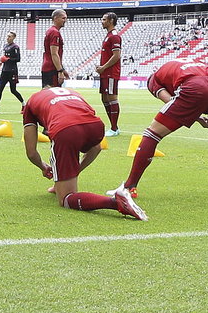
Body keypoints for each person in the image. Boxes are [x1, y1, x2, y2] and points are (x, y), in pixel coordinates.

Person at [111, 59, 208, 200]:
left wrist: (197, 118)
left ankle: (129, 187)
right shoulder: (197, 65)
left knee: (152, 134)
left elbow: (169, 100)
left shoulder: (153, 79)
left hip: (193, 87)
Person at [21, 86, 146, 219]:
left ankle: (115, 202)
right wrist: (70, 173)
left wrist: (43, 166)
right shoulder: (73, 93)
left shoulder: (32, 101)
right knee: (86, 147)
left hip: (65, 130)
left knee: (66, 199)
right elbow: (96, 147)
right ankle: (65, 178)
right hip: (96, 126)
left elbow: (31, 152)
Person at [95, 12, 123, 136]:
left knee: (112, 98)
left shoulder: (115, 36)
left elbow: (117, 55)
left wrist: (104, 67)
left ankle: (114, 128)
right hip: (105, 73)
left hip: (111, 73)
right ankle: (113, 127)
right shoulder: (109, 36)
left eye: (104, 19)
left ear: (111, 20)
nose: (102, 21)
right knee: (104, 98)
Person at [0, 31, 23, 114]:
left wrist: (8, 60)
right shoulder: (5, 46)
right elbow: (5, 57)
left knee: (13, 90)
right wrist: (1, 62)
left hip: (12, 71)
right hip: (4, 70)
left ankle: (24, 104)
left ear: (13, 37)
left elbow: (18, 59)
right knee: (0, 88)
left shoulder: (15, 47)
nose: (8, 38)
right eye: (7, 36)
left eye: (10, 36)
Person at [42, 9, 67, 87]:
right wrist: (60, 71)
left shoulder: (50, 31)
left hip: (47, 67)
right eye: (63, 18)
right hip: (52, 68)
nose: (65, 20)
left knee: (47, 93)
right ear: (56, 18)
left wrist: (62, 69)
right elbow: (54, 53)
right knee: (54, 95)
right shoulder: (54, 32)